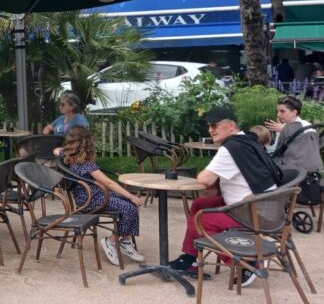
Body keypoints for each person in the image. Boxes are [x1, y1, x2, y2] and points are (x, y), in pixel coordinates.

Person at [170, 106, 282, 285]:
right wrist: (217, 185)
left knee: (201, 220)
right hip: (269, 208)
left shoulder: (230, 148)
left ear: (231, 126)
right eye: (209, 126)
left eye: (214, 125)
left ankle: (247, 262)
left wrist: (212, 181)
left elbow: (204, 179)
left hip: (251, 212)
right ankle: (189, 258)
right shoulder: (249, 140)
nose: (210, 130)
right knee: (200, 204)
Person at [55, 127, 144, 266]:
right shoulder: (86, 163)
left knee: (133, 205)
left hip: (88, 196)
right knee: (129, 207)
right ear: (87, 143)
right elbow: (108, 183)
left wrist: (64, 150)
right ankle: (111, 241)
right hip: (92, 200)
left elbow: (55, 150)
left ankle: (125, 241)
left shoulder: (67, 156)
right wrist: (131, 196)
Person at [265, 96, 322, 174]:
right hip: (298, 168)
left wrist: (284, 130)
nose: (278, 114)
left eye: (282, 111)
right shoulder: (287, 126)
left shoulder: (305, 127)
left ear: (294, 112)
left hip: (297, 171)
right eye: (277, 111)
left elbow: (306, 150)